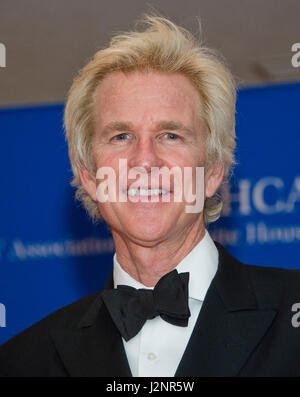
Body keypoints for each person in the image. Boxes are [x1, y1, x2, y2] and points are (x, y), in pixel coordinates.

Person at [0, 15, 299, 377]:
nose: (144, 161)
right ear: (88, 175)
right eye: (121, 136)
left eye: (170, 135)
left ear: (213, 172)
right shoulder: (22, 362)